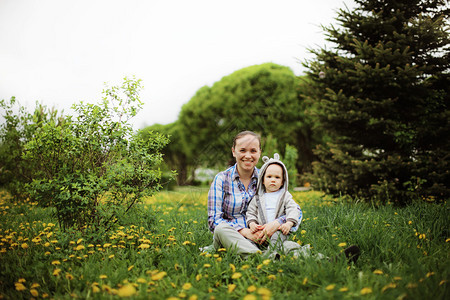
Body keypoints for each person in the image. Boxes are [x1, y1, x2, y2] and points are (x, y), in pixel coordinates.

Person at [207, 131, 289, 256]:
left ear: (259, 152)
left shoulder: (267, 178)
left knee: (290, 245)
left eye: (253, 151)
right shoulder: (222, 179)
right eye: (243, 150)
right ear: (234, 151)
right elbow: (214, 220)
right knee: (220, 229)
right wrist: (245, 232)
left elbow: (292, 210)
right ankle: (261, 256)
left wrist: (275, 224)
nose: (248, 155)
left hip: (263, 237)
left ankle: (261, 254)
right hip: (232, 237)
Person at [246, 153, 304, 257]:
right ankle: (255, 253)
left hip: (279, 230)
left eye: (277, 177)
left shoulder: (285, 195)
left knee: (276, 238)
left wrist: (289, 223)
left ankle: (272, 253)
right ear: (262, 180)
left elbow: (293, 209)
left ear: (282, 182)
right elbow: (251, 212)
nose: (273, 180)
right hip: (261, 231)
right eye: (269, 176)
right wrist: (252, 224)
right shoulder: (258, 198)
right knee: (249, 239)